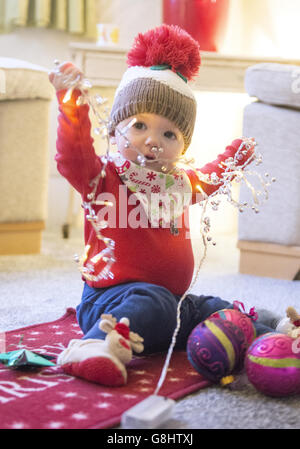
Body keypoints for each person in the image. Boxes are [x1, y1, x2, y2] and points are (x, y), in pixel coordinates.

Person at [49, 25, 281, 385]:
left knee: (214, 310)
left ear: (182, 146)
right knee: (153, 301)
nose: (152, 141)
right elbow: (70, 155)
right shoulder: (101, 176)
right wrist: (72, 106)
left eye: (169, 133)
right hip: (109, 302)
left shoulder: (178, 183)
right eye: (139, 125)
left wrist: (237, 156)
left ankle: (273, 336)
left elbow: (209, 177)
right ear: (114, 132)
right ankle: (91, 346)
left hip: (173, 303)